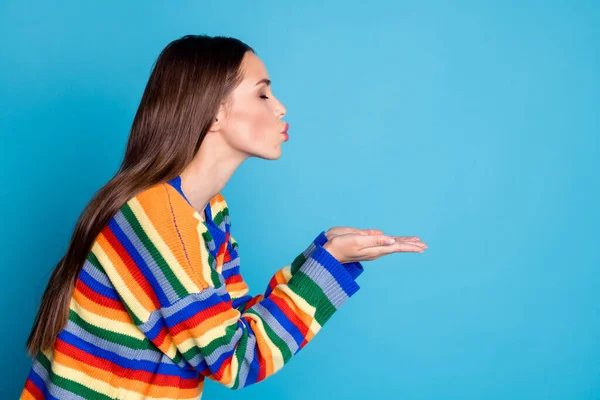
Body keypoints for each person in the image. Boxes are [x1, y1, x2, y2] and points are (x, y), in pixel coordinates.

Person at [19, 34, 428, 399]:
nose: (281, 108)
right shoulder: (159, 217)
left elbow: (229, 320)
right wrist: (330, 265)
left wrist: (326, 254)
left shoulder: (207, 210)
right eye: (263, 94)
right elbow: (236, 359)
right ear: (214, 113)